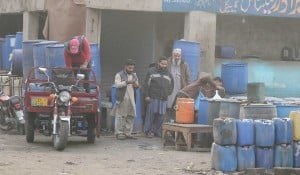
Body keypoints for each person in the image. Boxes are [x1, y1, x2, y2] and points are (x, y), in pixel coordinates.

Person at [143, 56, 174, 138]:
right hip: (153, 97)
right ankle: (148, 131)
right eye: (162, 64)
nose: (164, 65)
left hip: (163, 98)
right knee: (151, 115)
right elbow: (146, 85)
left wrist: (167, 93)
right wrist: (146, 95)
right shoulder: (151, 72)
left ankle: (157, 131)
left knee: (161, 116)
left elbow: (171, 85)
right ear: (158, 63)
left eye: (166, 64)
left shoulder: (168, 74)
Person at [111, 59, 139, 140]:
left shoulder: (134, 75)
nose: (131, 70)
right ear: (125, 66)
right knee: (120, 116)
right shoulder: (119, 74)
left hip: (132, 98)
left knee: (131, 115)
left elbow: (137, 85)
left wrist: (136, 85)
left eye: (132, 68)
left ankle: (128, 133)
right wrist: (126, 82)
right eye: (129, 68)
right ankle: (119, 133)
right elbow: (117, 85)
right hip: (122, 98)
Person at [166, 48, 191, 121]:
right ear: (172, 55)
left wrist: (188, 89)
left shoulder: (184, 64)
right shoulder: (168, 62)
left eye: (178, 56)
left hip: (180, 87)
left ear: (180, 56)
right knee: (169, 104)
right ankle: (168, 121)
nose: (177, 58)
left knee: (178, 105)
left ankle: (176, 121)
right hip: (169, 87)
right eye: (175, 56)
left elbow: (188, 77)